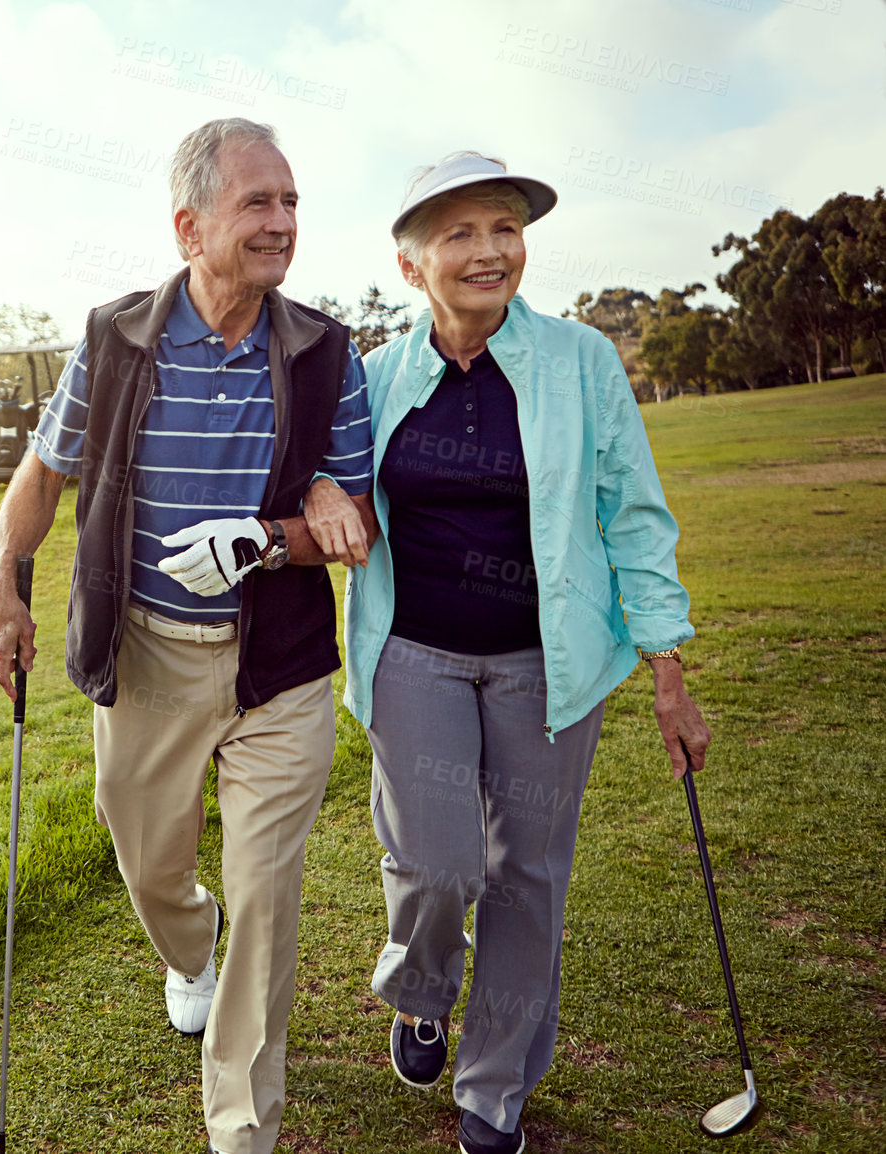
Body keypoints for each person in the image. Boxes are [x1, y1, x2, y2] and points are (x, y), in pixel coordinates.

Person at [0, 117, 378, 1154]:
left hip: (277, 666)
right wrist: (3, 584)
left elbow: (355, 521)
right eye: (257, 203)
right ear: (187, 225)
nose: (282, 222)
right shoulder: (115, 342)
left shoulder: (328, 351)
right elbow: (42, 471)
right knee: (152, 861)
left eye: (290, 202)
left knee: (266, 892)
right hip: (148, 652)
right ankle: (185, 950)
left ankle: (240, 1127)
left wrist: (265, 540)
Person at [342, 152, 714, 1154]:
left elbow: (631, 513)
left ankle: (493, 1088)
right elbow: (324, 489)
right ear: (411, 262)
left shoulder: (581, 361)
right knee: (435, 861)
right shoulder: (373, 376)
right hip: (414, 649)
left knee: (526, 878)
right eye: (458, 232)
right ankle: (420, 988)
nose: (488, 250)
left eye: (503, 228)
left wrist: (667, 669)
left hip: (546, 663)